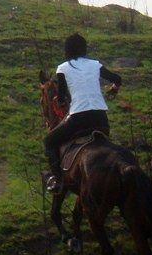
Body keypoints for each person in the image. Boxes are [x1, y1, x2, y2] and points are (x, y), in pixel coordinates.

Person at [43, 33, 122, 194]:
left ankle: (58, 180)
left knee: (49, 142)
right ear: (84, 48)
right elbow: (117, 78)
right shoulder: (95, 64)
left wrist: (59, 99)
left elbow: (62, 98)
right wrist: (113, 89)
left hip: (79, 119)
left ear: (68, 50)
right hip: (101, 120)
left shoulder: (63, 68)